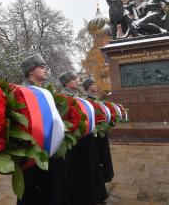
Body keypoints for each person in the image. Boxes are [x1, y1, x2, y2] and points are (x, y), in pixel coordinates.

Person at [18, 54, 71, 205]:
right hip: (34, 155)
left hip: (52, 153)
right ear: (30, 71)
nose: (46, 70)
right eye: (41, 67)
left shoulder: (47, 92)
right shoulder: (22, 92)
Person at [60, 72, 107, 205]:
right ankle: (84, 197)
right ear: (65, 82)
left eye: (76, 78)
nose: (76, 80)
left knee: (90, 168)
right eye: (72, 79)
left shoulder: (78, 95)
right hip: (76, 140)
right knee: (79, 171)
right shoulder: (63, 97)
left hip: (86, 137)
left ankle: (93, 195)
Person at [82, 77, 114, 184]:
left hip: (102, 131)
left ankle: (106, 176)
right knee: (99, 156)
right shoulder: (87, 100)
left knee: (104, 154)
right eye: (93, 84)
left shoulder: (96, 98)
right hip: (95, 132)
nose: (95, 86)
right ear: (89, 87)